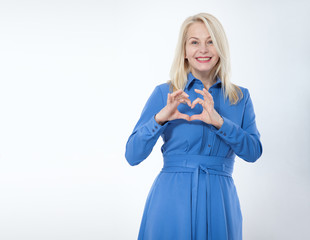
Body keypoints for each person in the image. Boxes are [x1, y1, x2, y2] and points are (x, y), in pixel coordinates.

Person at [125, 12, 262, 240]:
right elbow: (132, 155)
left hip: (220, 201)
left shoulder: (240, 97)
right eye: (194, 42)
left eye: (211, 41)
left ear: (221, 48)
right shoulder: (165, 93)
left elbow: (253, 152)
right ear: (185, 51)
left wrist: (219, 122)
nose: (204, 50)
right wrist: (160, 118)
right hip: (171, 201)